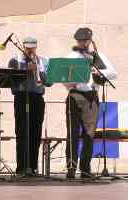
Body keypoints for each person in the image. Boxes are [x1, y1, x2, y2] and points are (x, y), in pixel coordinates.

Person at [65, 27, 117, 179]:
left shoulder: (97, 56)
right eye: (80, 41)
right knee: (72, 133)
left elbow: (113, 73)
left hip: (91, 96)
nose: (82, 43)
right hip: (75, 95)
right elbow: (61, 75)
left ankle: (85, 169)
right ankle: (71, 168)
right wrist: (69, 83)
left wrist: (99, 72)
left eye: (85, 40)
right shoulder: (71, 56)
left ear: (90, 40)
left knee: (89, 134)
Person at [8, 36, 50, 175]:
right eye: (27, 48)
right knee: (21, 132)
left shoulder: (43, 61)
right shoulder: (15, 60)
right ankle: (21, 167)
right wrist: (27, 70)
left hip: (37, 97)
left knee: (35, 133)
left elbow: (49, 82)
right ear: (23, 47)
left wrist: (38, 70)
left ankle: (32, 167)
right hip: (21, 97)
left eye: (32, 47)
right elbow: (12, 82)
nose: (30, 50)